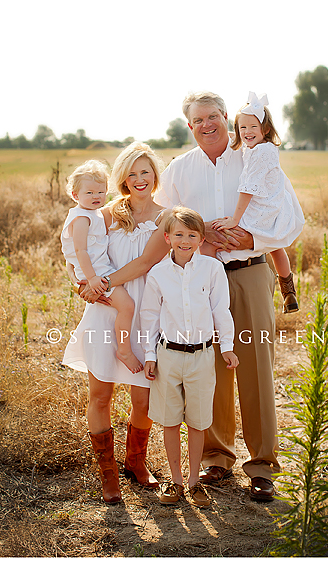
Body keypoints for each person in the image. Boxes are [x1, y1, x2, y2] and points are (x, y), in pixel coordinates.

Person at [155, 90, 280, 502]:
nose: (207, 125)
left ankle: (262, 465)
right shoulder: (179, 170)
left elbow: (285, 217)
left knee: (255, 364)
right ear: (189, 126)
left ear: (227, 118)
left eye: (213, 117)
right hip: (200, 279)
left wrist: (250, 236)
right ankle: (216, 458)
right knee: (209, 367)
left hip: (248, 273)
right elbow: (160, 216)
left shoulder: (255, 158)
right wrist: (194, 229)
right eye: (198, 120)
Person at [64, 143, 167, 503]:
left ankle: (135, 462)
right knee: (100, 395)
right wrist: (81, 283)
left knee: (144, 400)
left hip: (143, 312)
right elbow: (79, 250)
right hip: (107, 310)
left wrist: (101, 284)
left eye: (146, 171)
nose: (139, 179)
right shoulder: (104, 213)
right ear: (121, 178)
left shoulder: (166, 217)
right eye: (132, 173)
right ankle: (108, 475)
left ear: (155, 175)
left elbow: (143, 266)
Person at [139, 207, 239, 507]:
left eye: (192, 235)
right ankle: (176, 482)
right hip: (168, 355)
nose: (185, 240)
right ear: (167, 237)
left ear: (201, 238)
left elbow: (221, 310)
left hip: (202, 356)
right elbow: (150, 315)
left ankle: (196, 482)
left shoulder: (212, 269)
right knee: (170, 421)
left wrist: (228, 347)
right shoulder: (157, 273)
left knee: (197, 422)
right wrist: (149, 354)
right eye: (179, 234)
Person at [211, 91, 304, 313]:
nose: (247, 132)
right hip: (272, 203)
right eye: (242, 127)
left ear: (266, 129)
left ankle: (224, 275)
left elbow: (248, 188)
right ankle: (288, 290)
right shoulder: (259, 149)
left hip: (262, 205)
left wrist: (235, 219)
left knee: (237, 237)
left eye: (253, 127)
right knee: (275, 245)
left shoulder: (261, 152)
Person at [61, 160, 139, 375]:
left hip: (99, 270)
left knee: (123, 308)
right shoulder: (82, 218)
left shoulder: (94, 214)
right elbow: (79, 252)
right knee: (127, 307)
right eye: (89, 193)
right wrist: (92, 278)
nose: (96, 197)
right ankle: (124, 350)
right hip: (97, 273)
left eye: (101, 192)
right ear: (76, 195)